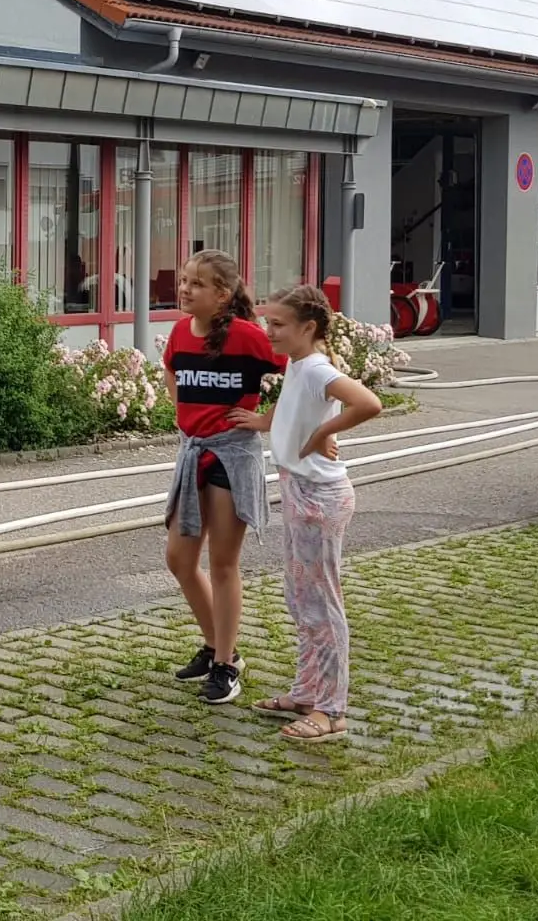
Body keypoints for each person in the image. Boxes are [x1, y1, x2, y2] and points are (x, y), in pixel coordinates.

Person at [229, 285, 381, 742]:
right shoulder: (300, 365)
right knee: (299, 597)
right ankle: (306, 692)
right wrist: (265, 422)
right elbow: (298, 403)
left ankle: (332, 710)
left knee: (322, 603)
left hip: (320, 496)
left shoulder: (316, 367)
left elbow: (369, 403)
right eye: (267, 322)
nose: (267, 331)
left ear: (307, 328)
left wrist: (322, 434)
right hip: (299, 491)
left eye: (277, 325)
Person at [161, 249, 284, 704]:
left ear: (222, 294)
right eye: (184, 279)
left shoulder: (249, 337)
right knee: (179, 558)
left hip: (232, 456)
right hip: (193, 453)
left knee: (223, 563)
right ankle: (216, 645)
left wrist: (266, 420)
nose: (185, 289)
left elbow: (308, 371)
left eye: (196, 283)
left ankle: (227, 664)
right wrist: (184, 414)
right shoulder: (179, 331)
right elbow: (171, 371)